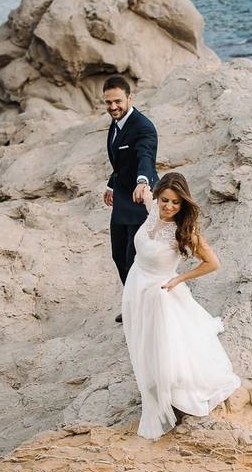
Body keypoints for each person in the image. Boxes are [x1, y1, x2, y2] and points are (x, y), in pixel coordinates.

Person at [122, 172, 241, 440]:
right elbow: (144, 192)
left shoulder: (183, 230)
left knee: (166, 346)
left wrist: (179, 278)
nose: (169, 207)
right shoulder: (152, 209)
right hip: (137, 285)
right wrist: (140, 182)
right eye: (165, 200)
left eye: (176, 203)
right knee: (144, 340)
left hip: (160, 293)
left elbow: (213, 263)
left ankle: (172, 395)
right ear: (158, 196)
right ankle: (153, 383)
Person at [102, 75, 158, 323]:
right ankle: (132, 302)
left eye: (117, 101)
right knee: (117, 255)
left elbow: (145, 157)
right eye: (108, 103)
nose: (113, 107)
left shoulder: (143, 127)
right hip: (121, 199)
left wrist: (143, 181)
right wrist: (111, 184)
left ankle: (142, 308)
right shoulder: (115, 124)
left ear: (129, 98)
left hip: (138, 201)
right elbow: (121, 164)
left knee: (133, 258)